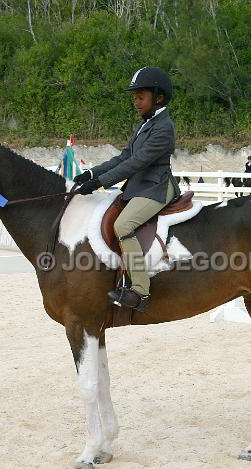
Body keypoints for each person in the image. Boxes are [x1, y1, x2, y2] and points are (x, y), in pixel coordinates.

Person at [73, 66, 180, 312]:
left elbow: (136, 163)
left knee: (123, 225)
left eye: (141, 97)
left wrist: (100, 183)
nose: (136, 102)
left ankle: (140, 291)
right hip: (140, 186)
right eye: (135, 97)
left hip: (156, 187)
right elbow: (123, 157)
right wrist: (92, 173)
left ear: (159, 97)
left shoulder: (164, 127)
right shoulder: (145, 125)